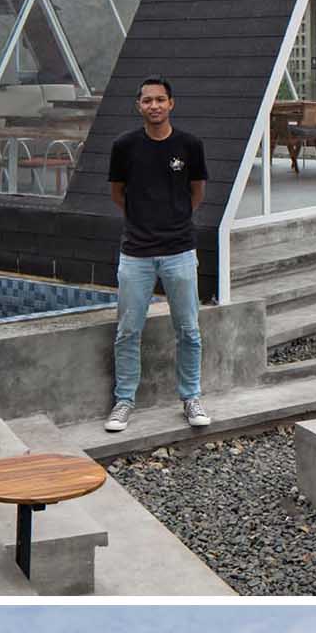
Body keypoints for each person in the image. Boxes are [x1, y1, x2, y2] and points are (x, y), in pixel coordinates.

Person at [107, 77, 209, 432]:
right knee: (127, 330)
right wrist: (144, 221)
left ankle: (191, 397)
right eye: (147, 100)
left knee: (189, 330)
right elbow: (117, 194)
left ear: (171, 104)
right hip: (136, 252)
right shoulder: (124, 146)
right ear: (139, 106)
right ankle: (124, 401)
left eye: (160, 100)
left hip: (180, 250)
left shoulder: (190, 145)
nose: (154, 106)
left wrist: (175, 220)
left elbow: (196, 192)